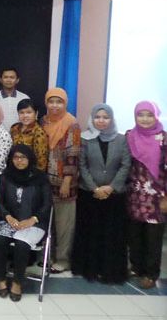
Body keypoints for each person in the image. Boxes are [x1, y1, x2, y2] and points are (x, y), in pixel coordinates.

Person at [72, 104, 131, 284]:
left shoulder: (122, 139)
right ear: (92, 119)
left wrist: (111, 187)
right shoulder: (85, 138)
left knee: (112, 234)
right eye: (97, 117)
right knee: (91, 232)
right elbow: (82, 165)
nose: (101, 120)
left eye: (105, 117)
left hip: (115, 196)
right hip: (89, 195)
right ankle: (90, 269)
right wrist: (95, 188)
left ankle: (109, 271)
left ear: (111, 119)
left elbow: (125, 165)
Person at [0, 145, 52, 302]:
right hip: (10, 220)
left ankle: (17, 283)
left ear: (30, 159)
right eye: (16, 157)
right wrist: (8, 217)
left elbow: (47, 204)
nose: (19, 161)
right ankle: (1, 279)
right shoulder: (5, 177)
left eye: (23, 157)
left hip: (34, 222)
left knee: (21, 244)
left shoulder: (40, 178)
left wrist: (32, 219)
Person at [125, 101, 167, 289]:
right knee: (134, 234)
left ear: (156, 116)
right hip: (134, 195)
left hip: (157, 197)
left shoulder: (164, 138)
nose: (145, 119)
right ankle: (136, 267)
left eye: (149, 115)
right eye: (140, 115)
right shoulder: (130, 135)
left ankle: (151, 273)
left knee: (153, 238)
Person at [41, 88, 80, 273]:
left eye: (59, 102)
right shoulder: (44, 121)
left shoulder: (71, 123)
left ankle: (63, 260)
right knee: (47, 222)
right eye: (51, 101)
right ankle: (48, 257)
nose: (55, 105)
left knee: (64, 225)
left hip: (64, 183)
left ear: (65, 103)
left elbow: (73, 154)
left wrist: (66, 181)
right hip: (45, 181)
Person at [10, 99, 49, 171]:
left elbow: (41, 162)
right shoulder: (14, 128)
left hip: (30, 173)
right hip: (14, 169)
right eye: (21, 112)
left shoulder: (39, 133)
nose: (25, 116)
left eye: (29, 112)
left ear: (36, 114)